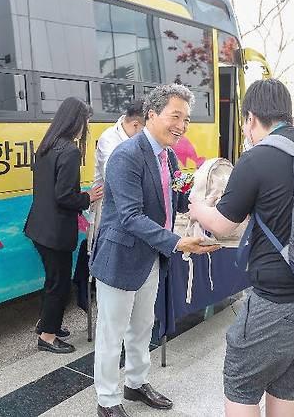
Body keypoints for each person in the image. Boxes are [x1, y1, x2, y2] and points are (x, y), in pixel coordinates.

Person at [189, 79, 294, 417]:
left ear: (251, 118)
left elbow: (223, 225)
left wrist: (198, 208)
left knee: (240, 383)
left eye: (245, 123)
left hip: (279, 302)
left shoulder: (257, 157)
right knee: (287, 386)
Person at [90, 84, 220, 417]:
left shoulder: (169, 155)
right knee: (111, 332)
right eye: (175, 116)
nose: (182, 125)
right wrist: (177, 242)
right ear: (152, 114)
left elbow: (174, 198)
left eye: (186, 119)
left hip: (151, 257)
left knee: (143, 325)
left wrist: (205, 203)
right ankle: (107, 399)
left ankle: (136, 383)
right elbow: (130, 217)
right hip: (121, 258)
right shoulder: (126, 156)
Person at [24, 97, 104, 354]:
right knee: (59, 283)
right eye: (86, 121)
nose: (86, 126)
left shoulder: (46, 146)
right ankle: (47, 337)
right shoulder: (69, 151)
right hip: (56, 231)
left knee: (52, 279)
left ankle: (47, 324)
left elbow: (52, 190)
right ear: (75, 121)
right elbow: (65, 196)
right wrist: (87, 197)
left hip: (39, 226)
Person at [88, 99, 145, 254]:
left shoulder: (137, 140)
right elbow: (113, 177)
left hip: (130, 205)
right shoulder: (109, 139)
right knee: (110, 251)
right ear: (135, 125)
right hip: (111, 205)